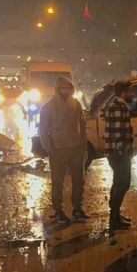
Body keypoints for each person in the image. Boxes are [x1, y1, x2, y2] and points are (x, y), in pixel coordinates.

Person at [39, 75, 89, 222]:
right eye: (63, 88)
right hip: (58, 149)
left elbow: (83, 123)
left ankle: (77, 208)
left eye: (68, 88)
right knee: (57, 181)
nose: (66, 90)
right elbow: (43, 130)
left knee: (79, 180)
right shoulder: (49, 107)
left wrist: (83, 143)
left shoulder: (76, 104)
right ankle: (58, 210)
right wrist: (49, 147)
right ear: (57, 89)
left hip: (76, 148)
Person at [102, 81, 134, 233]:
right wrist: (123, 151)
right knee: (123, 183)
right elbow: (117, 133)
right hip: (118, 152)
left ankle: (115, 215)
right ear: (124, 91)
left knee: (119, 182)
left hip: (116, 152)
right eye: (130, 91)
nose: (132, 94)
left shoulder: (116, 104)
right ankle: (114, 218)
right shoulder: (117, 106)